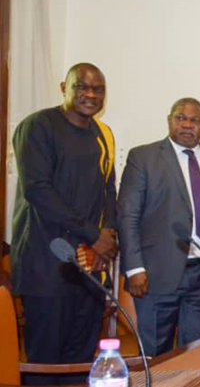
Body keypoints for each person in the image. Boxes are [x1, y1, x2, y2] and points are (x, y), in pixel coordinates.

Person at [10, 63, 117, 385]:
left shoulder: (103, 133)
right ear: (64, 88)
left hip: (90, 268)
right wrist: (92, 234)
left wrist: (107, 239)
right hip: (46, 266)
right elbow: (38, 190)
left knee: (82, 362)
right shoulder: (38, 127)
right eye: (81, 87)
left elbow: (108, 191)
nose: (90, 94)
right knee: (46, 365)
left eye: (97, 89)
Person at [117, 98, 200, 357]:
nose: (187, 125)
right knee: (156, 357)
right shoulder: (144, 157)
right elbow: (128, 215)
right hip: (155, 275)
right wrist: (134, 268)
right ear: (169, 120)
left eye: (194, 120)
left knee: (197, 355)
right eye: (180, 118)